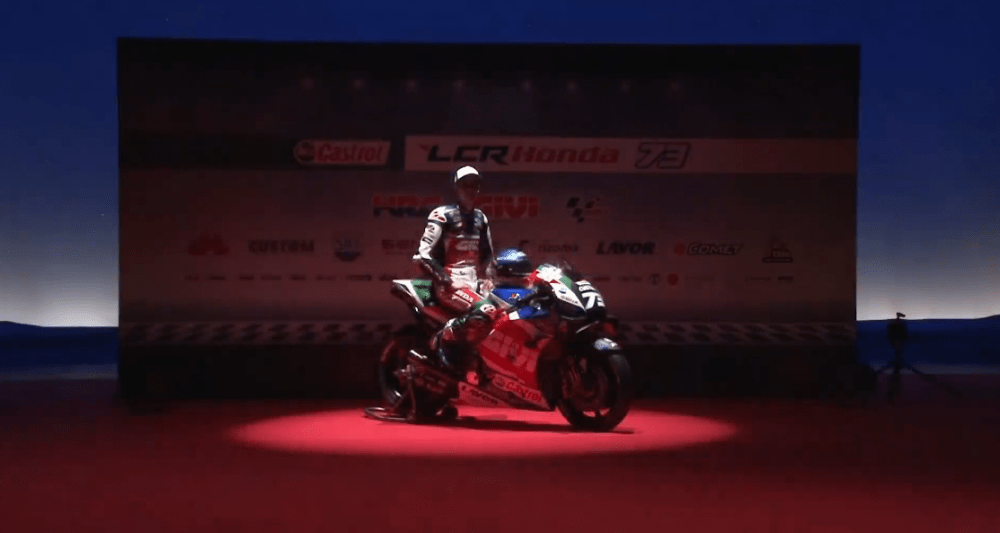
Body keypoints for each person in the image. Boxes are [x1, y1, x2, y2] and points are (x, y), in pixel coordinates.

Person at [412, 165, 499, 376]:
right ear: (456, 187)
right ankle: (443, 336)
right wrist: (445, 279)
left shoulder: (481, 218)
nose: (470, 189)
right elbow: (423, 254)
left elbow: (488, 256)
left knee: (504, 311)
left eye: (474, 184)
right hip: (448, 284)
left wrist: (489, 278)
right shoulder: (442, 215)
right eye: (465, 184)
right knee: (486, 310)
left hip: (474, 284)